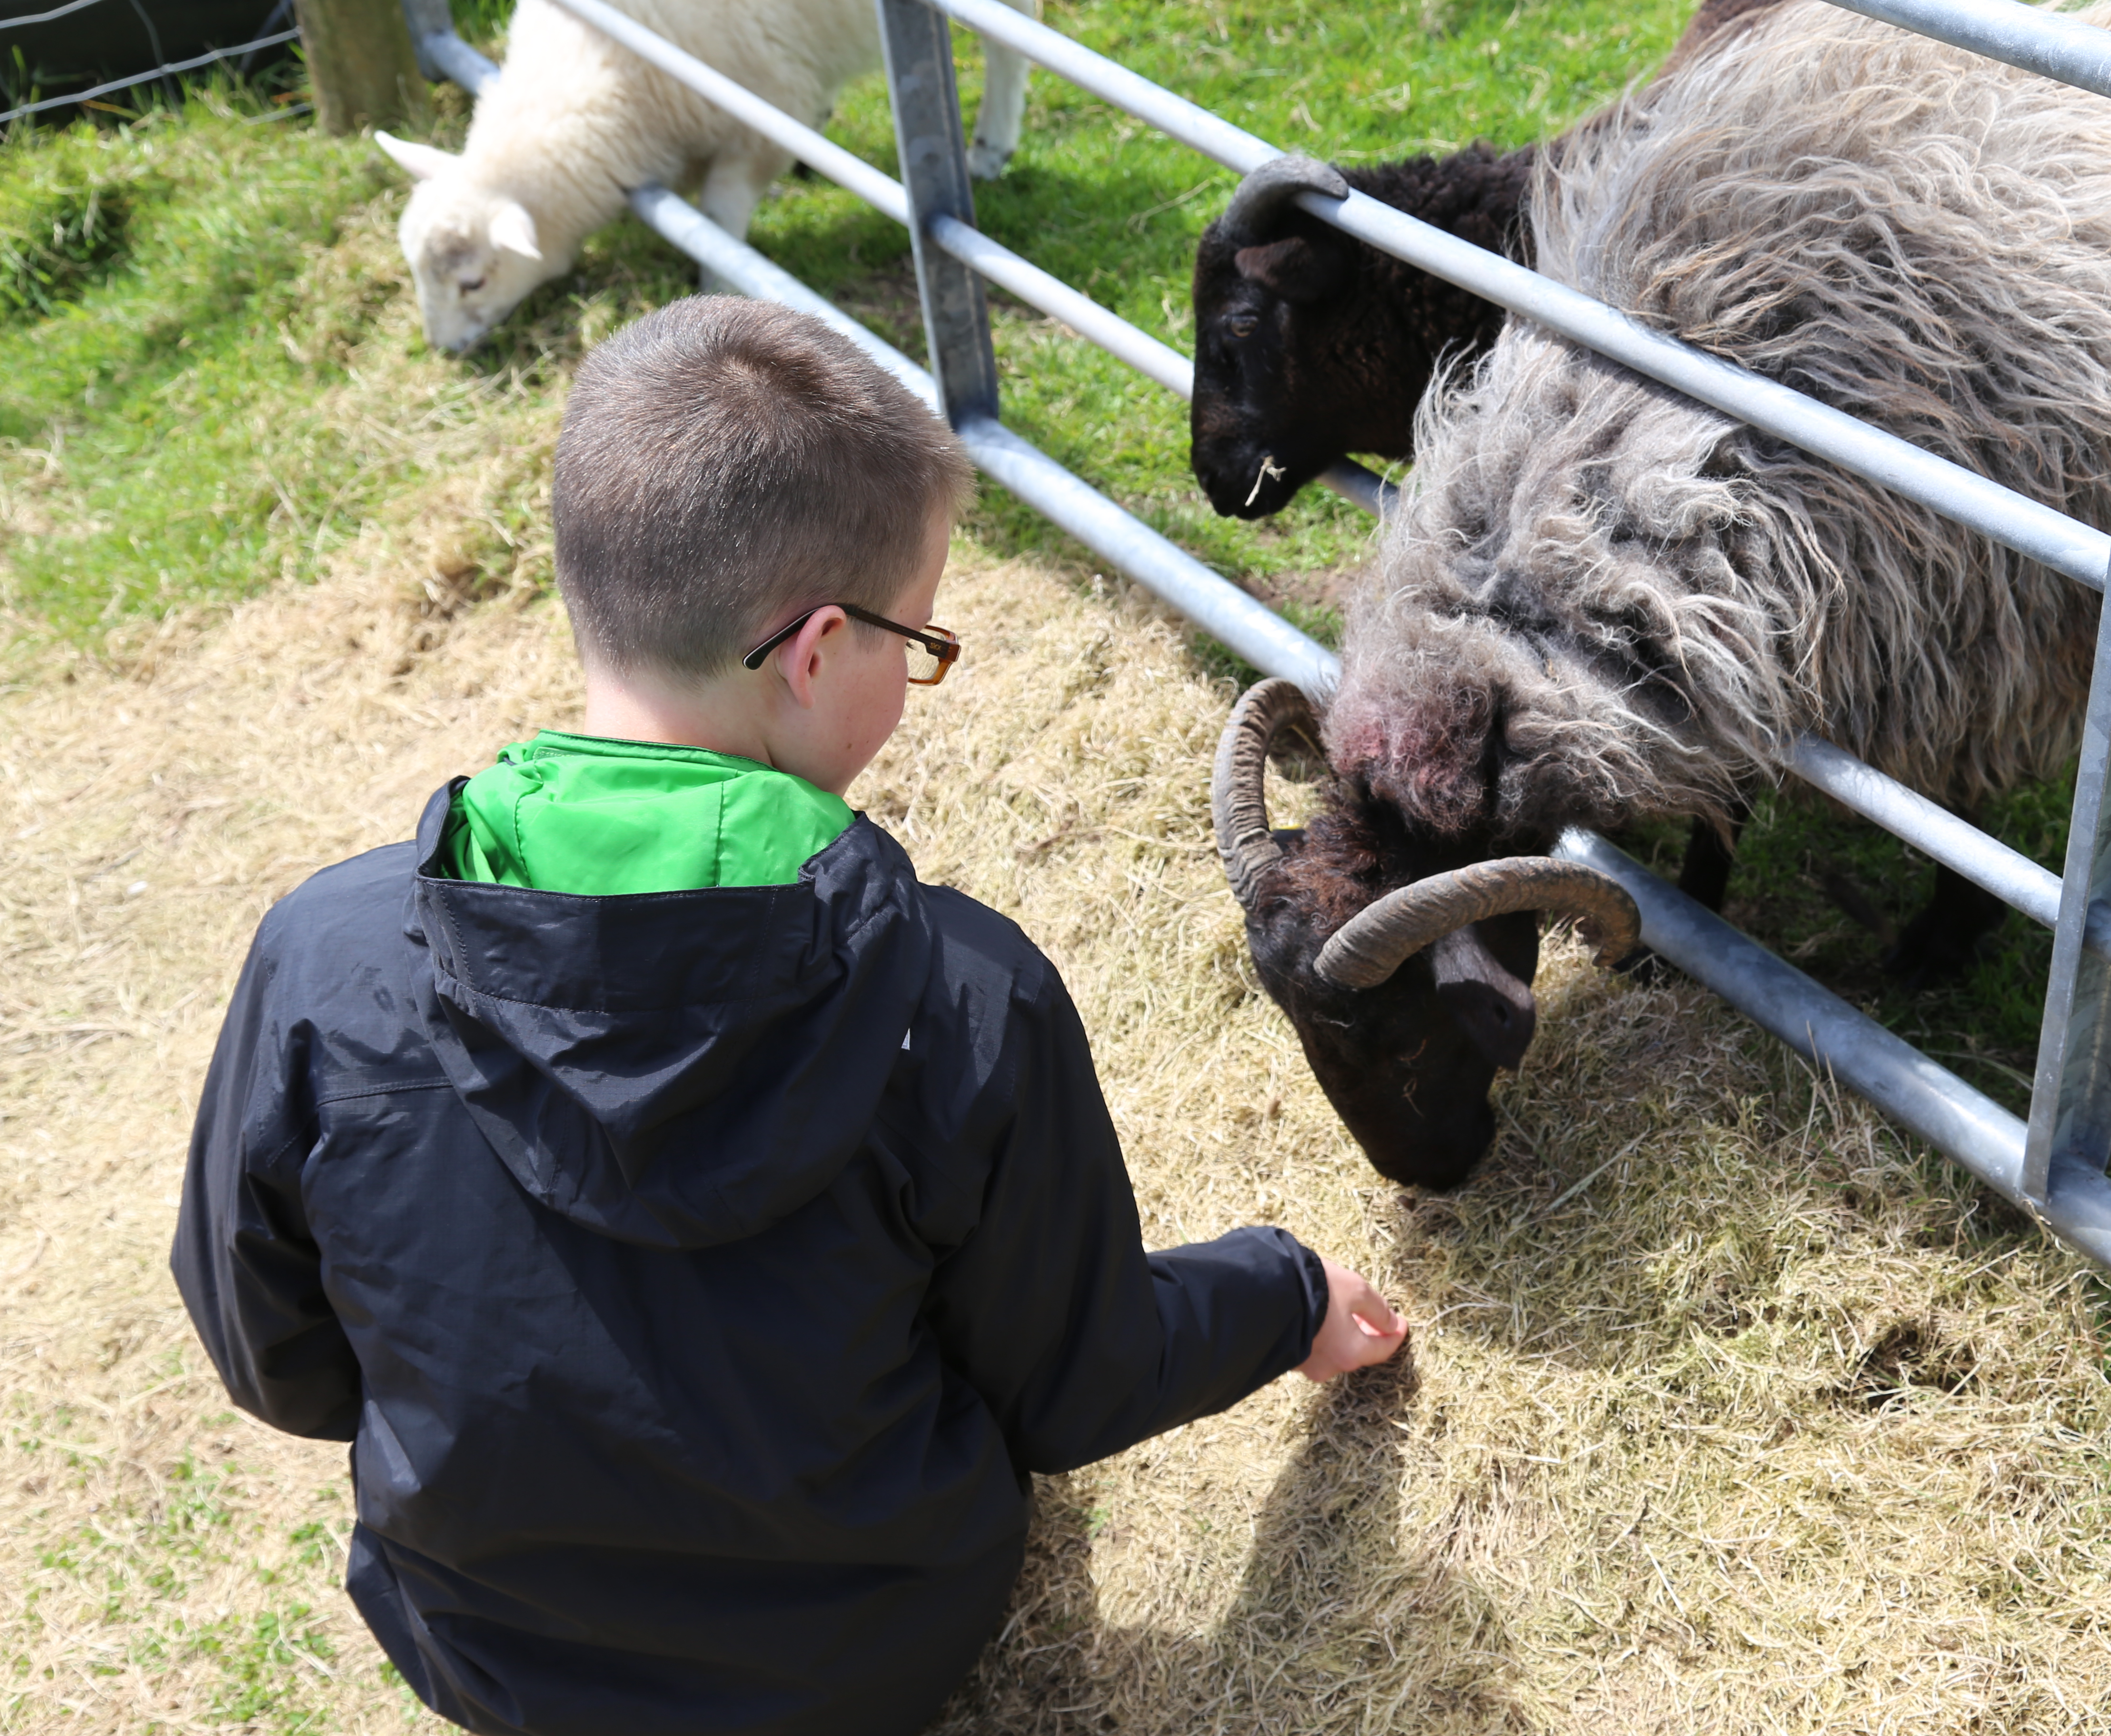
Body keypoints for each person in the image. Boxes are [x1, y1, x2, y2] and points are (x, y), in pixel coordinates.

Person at [171, 295, 1407, 1736]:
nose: (915, 671)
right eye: (917, 638)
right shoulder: (964, 998)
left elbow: (275, 1354)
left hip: (496, 1656)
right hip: (869, 1654)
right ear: (818, 651)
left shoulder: (323, 959)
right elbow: (1074, 1386)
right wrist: (1284, 1291)